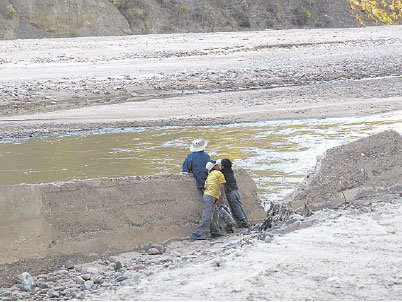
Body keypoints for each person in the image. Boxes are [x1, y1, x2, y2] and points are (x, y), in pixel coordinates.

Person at [190, 160, 226, 240]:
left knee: (215, 214)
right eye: (218, 165)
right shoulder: (219, 173)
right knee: (207, 216)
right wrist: (221, 198)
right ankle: (196, 233)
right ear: (215, 167)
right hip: (211, 196)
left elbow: (206, 186)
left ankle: (215, 232)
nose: (220, 166)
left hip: (208, 195)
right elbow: (222, 186)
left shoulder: (209, 175)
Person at [220, 158, 251, 228]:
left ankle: (243, 221)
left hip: (231, 192)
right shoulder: (230, 171)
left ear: (223, 166)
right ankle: (246, 220)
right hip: (236, 190)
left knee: (235, 207)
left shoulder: (223, 173)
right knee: (239, 205)